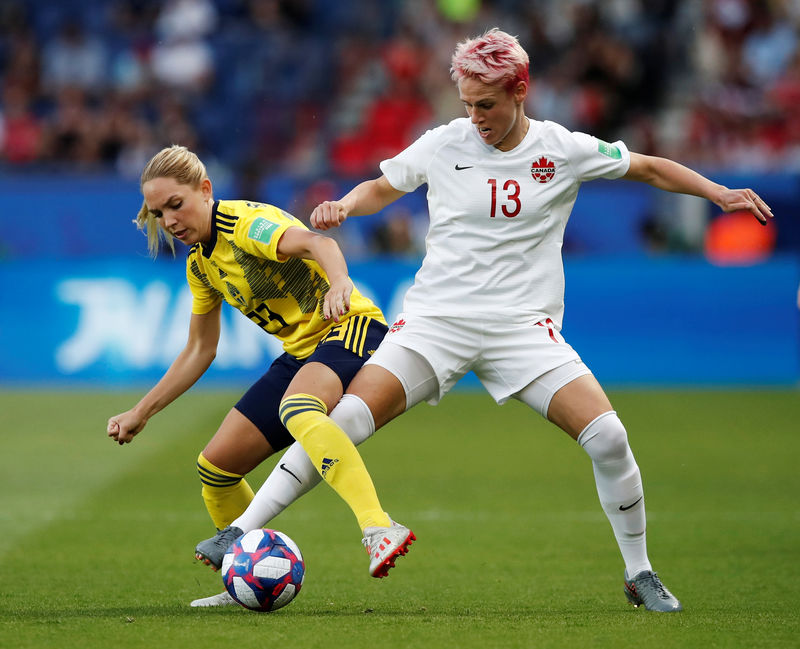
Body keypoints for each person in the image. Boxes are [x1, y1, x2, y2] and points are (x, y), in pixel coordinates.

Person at [194, 28, 774, 611]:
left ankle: (640, 572)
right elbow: (380, 185)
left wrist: (718, 194)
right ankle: (241, 530)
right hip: (435, 322)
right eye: (468, 104)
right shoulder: (445, 143)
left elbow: (647, 167)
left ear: (520, 91)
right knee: (343, 420)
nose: (475, 117)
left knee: (610, 438)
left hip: (522, 330)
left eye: (487, 105)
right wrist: (344, 205)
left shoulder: (560, 149)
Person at [105, 145, 415, 607]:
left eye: (176, 204)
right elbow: (200, 350)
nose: (169, 220)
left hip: (350, 327)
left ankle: (378, 526)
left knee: (298, 408)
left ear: (205, 190)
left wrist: (339, 283)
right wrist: (141, 412)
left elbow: (319, 243)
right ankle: (243, 576)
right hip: (302, 352)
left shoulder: (244, 224)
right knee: (217, 467)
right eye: (158, 212)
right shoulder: (200, 264)